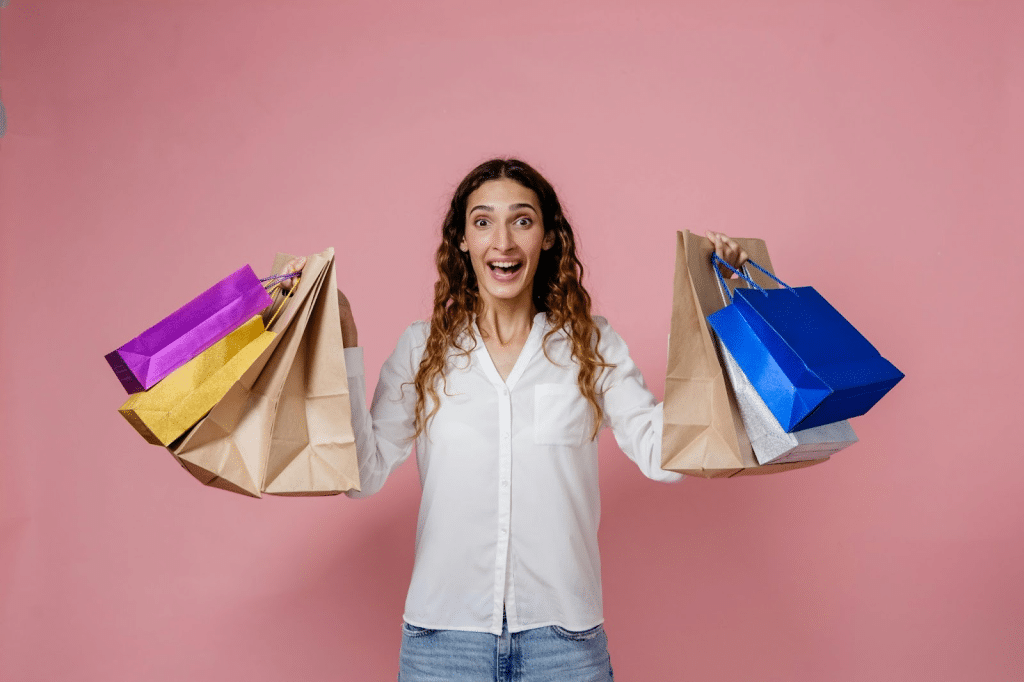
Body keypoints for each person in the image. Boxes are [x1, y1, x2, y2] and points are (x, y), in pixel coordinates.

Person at [280, 158, 747, 681]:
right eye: (483, 222)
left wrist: (721, 318)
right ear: (461, 240)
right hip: (443, 645)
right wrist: (338, 336)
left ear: (547, 237)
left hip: (565, 645)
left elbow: (666, 455)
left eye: (522, 220)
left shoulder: (591, 344)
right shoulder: (422, 348)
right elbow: (361, 477)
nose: (502, 241)